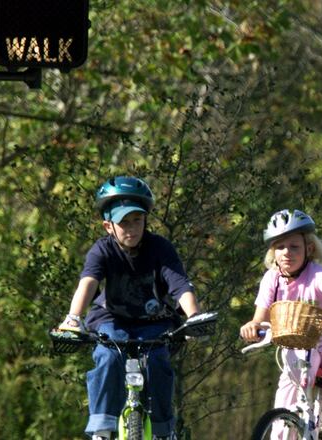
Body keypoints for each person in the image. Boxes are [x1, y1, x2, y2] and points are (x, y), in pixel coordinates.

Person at [57, 176, 200, 440]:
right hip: (112, 320)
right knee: (107, 357)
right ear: (108, 226)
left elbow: (180, 285)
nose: (132, 228)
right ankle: (101, 428)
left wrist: (194, 317)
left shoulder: (160, 248)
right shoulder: (102, 250)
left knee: (157, 360)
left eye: (137, 220)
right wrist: (73, 318)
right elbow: (88, 283)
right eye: (124, 222)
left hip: (154, 321)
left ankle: (162, 431)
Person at [239, 209, 322, 440]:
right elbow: (260, 317)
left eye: (294, 246)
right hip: (296, 342)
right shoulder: (271, 279)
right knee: (285, 403)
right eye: (280, 247)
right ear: (272, 252)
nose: (287, 253)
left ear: (309, 248)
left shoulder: (318, 276)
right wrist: (253, 326)